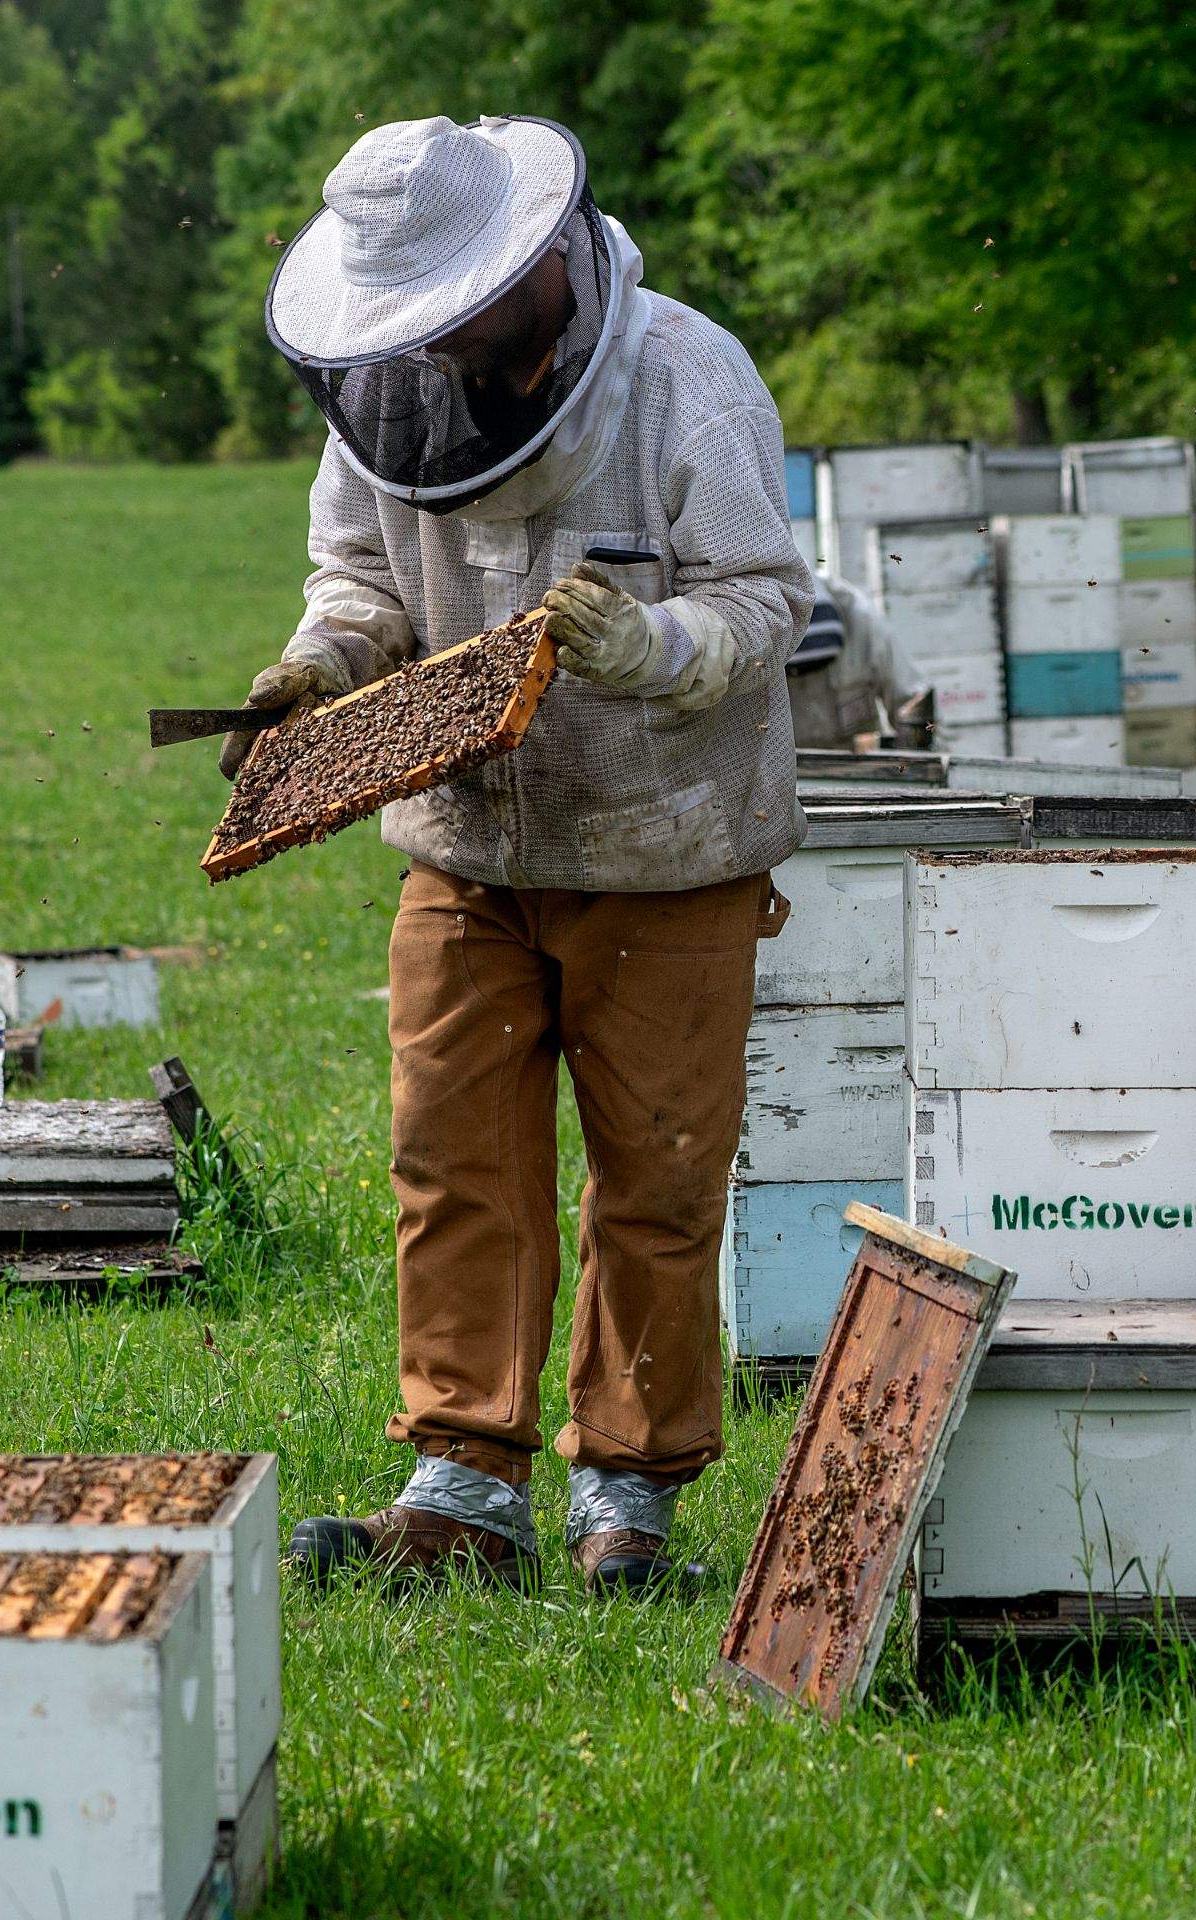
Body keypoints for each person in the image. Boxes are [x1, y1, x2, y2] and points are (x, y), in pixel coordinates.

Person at [228, 115, 811, 1594]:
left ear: (543, 261)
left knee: (657, 1178)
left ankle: (632, 1501)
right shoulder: (386, 395)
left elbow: (764, 602)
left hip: (669, 850)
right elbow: (357, 576)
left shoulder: (687, 375)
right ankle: (461, 1493)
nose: (438, 345)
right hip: (466, 846)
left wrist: (651, 642)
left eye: (460, 309)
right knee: (453, 1159)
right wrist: (322, 663)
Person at [786, 570, 933, 751]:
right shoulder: (751, 626)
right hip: (783, 772)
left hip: (862, 770)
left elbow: (914, 704)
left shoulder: (861, 618)